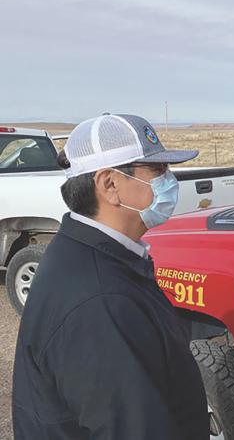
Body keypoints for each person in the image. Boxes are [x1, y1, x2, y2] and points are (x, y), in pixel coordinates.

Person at [12, 114, 209, 440]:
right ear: (110, 185)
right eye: (158, 171)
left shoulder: (94, 257)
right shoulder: (100, 301)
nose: (169, 180)